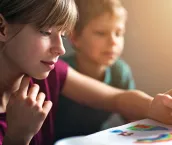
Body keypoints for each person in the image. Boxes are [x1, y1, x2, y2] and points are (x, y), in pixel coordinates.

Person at [1, 0, 172, 145]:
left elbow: (116, 98)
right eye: (46, 32)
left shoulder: (51, 72)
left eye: (62, 35)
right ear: (2, 28)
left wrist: (154, 107)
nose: (60, 49)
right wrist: (17, 138)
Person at [55, 0, 135, 139]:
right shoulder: (59, 72)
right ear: (74, 37)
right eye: (101, 33)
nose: (113, 41)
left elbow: (133, 119)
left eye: (118, 33)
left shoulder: (120, 72)